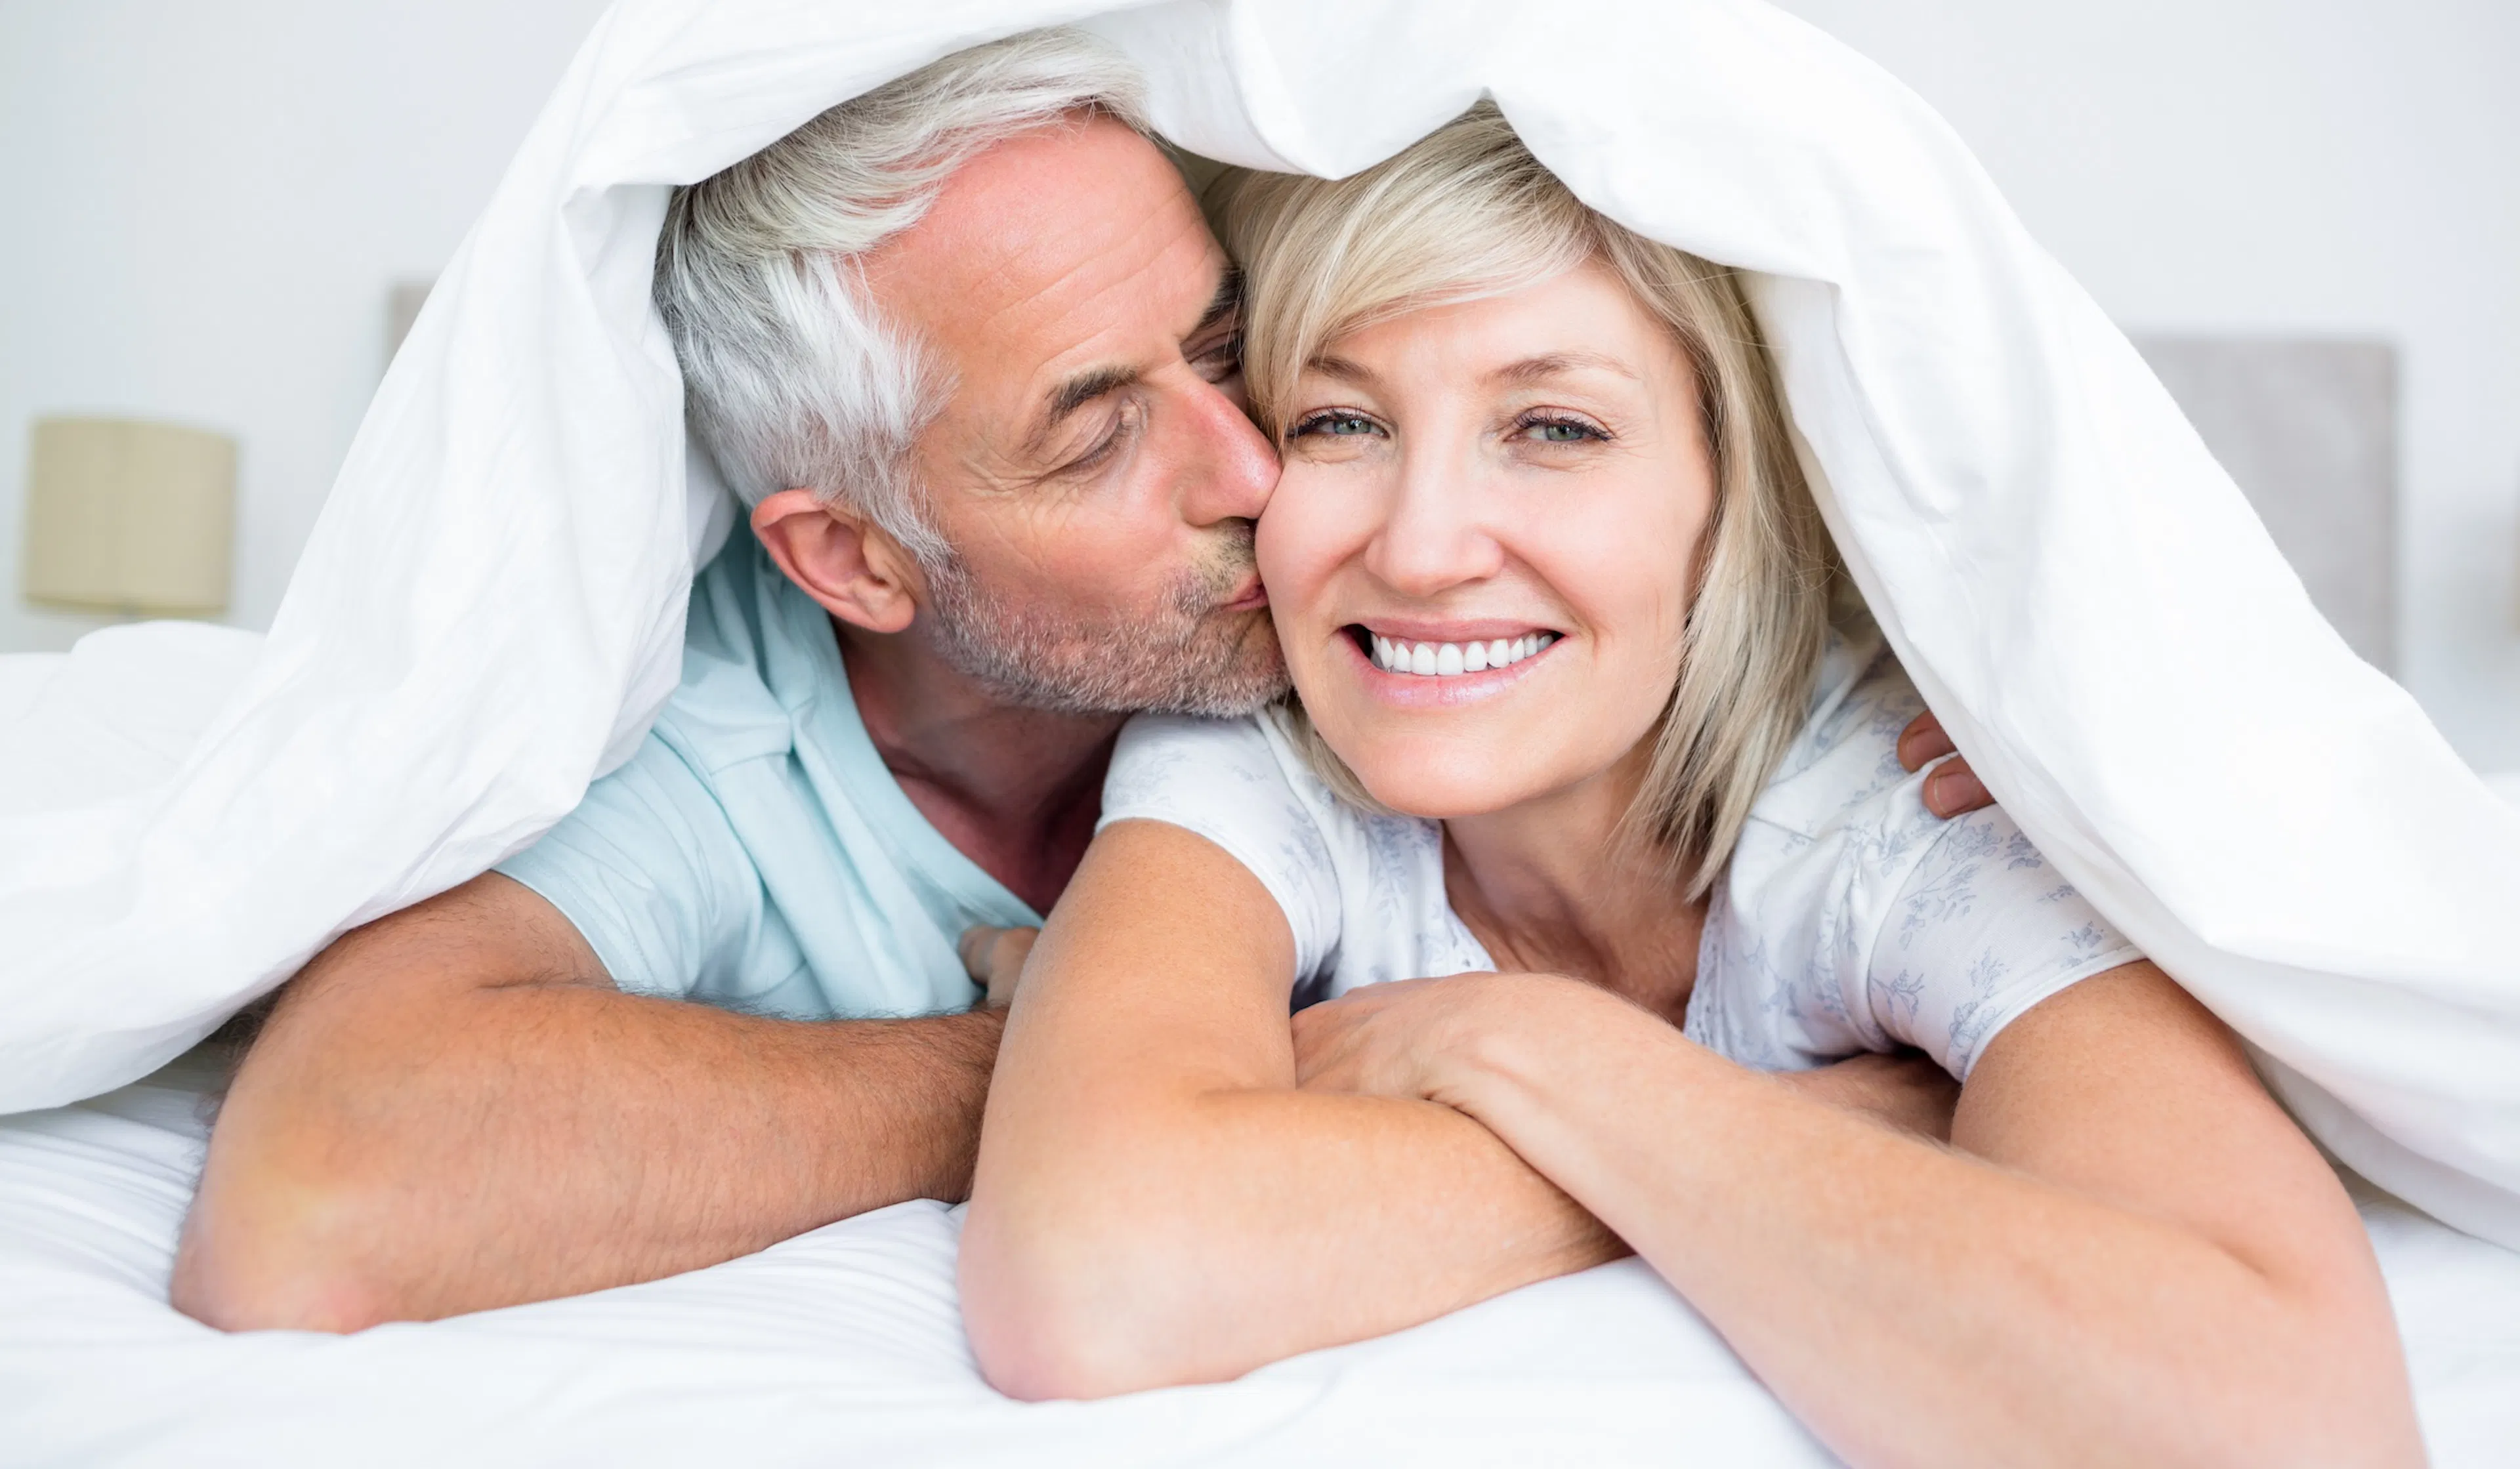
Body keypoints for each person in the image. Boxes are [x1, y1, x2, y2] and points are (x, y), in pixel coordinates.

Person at [162, 28, 2006, 1335]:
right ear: (855, 558)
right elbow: (314, 1197)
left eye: (1229, 349)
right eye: (1094, 431)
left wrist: (1953, 697)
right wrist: (1086, 1076)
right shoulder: (708, 734)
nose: (1262, 473)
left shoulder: (1407, 615)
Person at [958, 106, 2424, 1465]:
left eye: (1557, 429)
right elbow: (1090, 1282)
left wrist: (1519, 1046)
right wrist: (1850, 1121)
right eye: (1342, 422)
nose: (1417, 550)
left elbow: (2291, 1423)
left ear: (1731, 502)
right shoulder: (1270, 747)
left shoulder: (1906, 817)